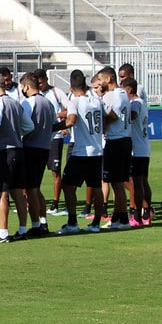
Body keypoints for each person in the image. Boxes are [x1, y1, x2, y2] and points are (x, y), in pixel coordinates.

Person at [54, 70, 106, 234]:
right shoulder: (96, 101)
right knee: (96, 187)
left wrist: (52, 127)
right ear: (85, 85)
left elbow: (71, 120)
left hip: (81, 151)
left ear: (71, 88)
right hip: (97, 150)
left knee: (67, 186)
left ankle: (72, 222)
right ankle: (96, 223)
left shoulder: (74, 102)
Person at [0, 73, 34, 243]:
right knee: (18, 192)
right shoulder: (15, 102)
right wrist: (15, 132)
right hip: (18, 150)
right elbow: (29, 126)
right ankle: (22, 230)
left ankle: (3, 233)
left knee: (1, 193)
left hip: (4, 152)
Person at [19, 72, 56, 236]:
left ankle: (35, 226)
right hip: (44, 148)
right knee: (36, 187)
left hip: (31, 148)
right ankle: (43, 222)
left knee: (31, 189)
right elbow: (54, 124)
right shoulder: (48, 103)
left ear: (26, 86)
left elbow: (24, 125)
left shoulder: (28, 103)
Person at [98, 66, 133, 230]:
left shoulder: (112, 96)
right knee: (117, 182)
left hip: (116, 141)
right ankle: (118, 216)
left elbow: (113, 116)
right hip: (125, 139)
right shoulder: (123, 93)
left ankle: (123, 219)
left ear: (108, 79)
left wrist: (102, 119)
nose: (100, 83)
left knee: (116, 183)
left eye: (100, 79)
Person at [35, 68, 69, 216]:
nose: (39, 85)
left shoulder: (56, 92)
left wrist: (57, 116)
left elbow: (70, 109)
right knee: (36, 171)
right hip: (39, 138)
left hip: (55, 137)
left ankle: (55, 204)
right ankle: (32, 201)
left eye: (41, 82)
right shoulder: (34, 95)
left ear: (46, 80)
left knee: (55, 171)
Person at [121, 77, 153, 227]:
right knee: (142, 181)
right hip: (144, 147)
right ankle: (146, 213)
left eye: (122, 90)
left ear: (129, 89)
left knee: (136, 182)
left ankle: (137, 216)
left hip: (136, 149)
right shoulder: (142, 103)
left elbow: (132, 115)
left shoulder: (135, 103)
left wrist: (121, 117)